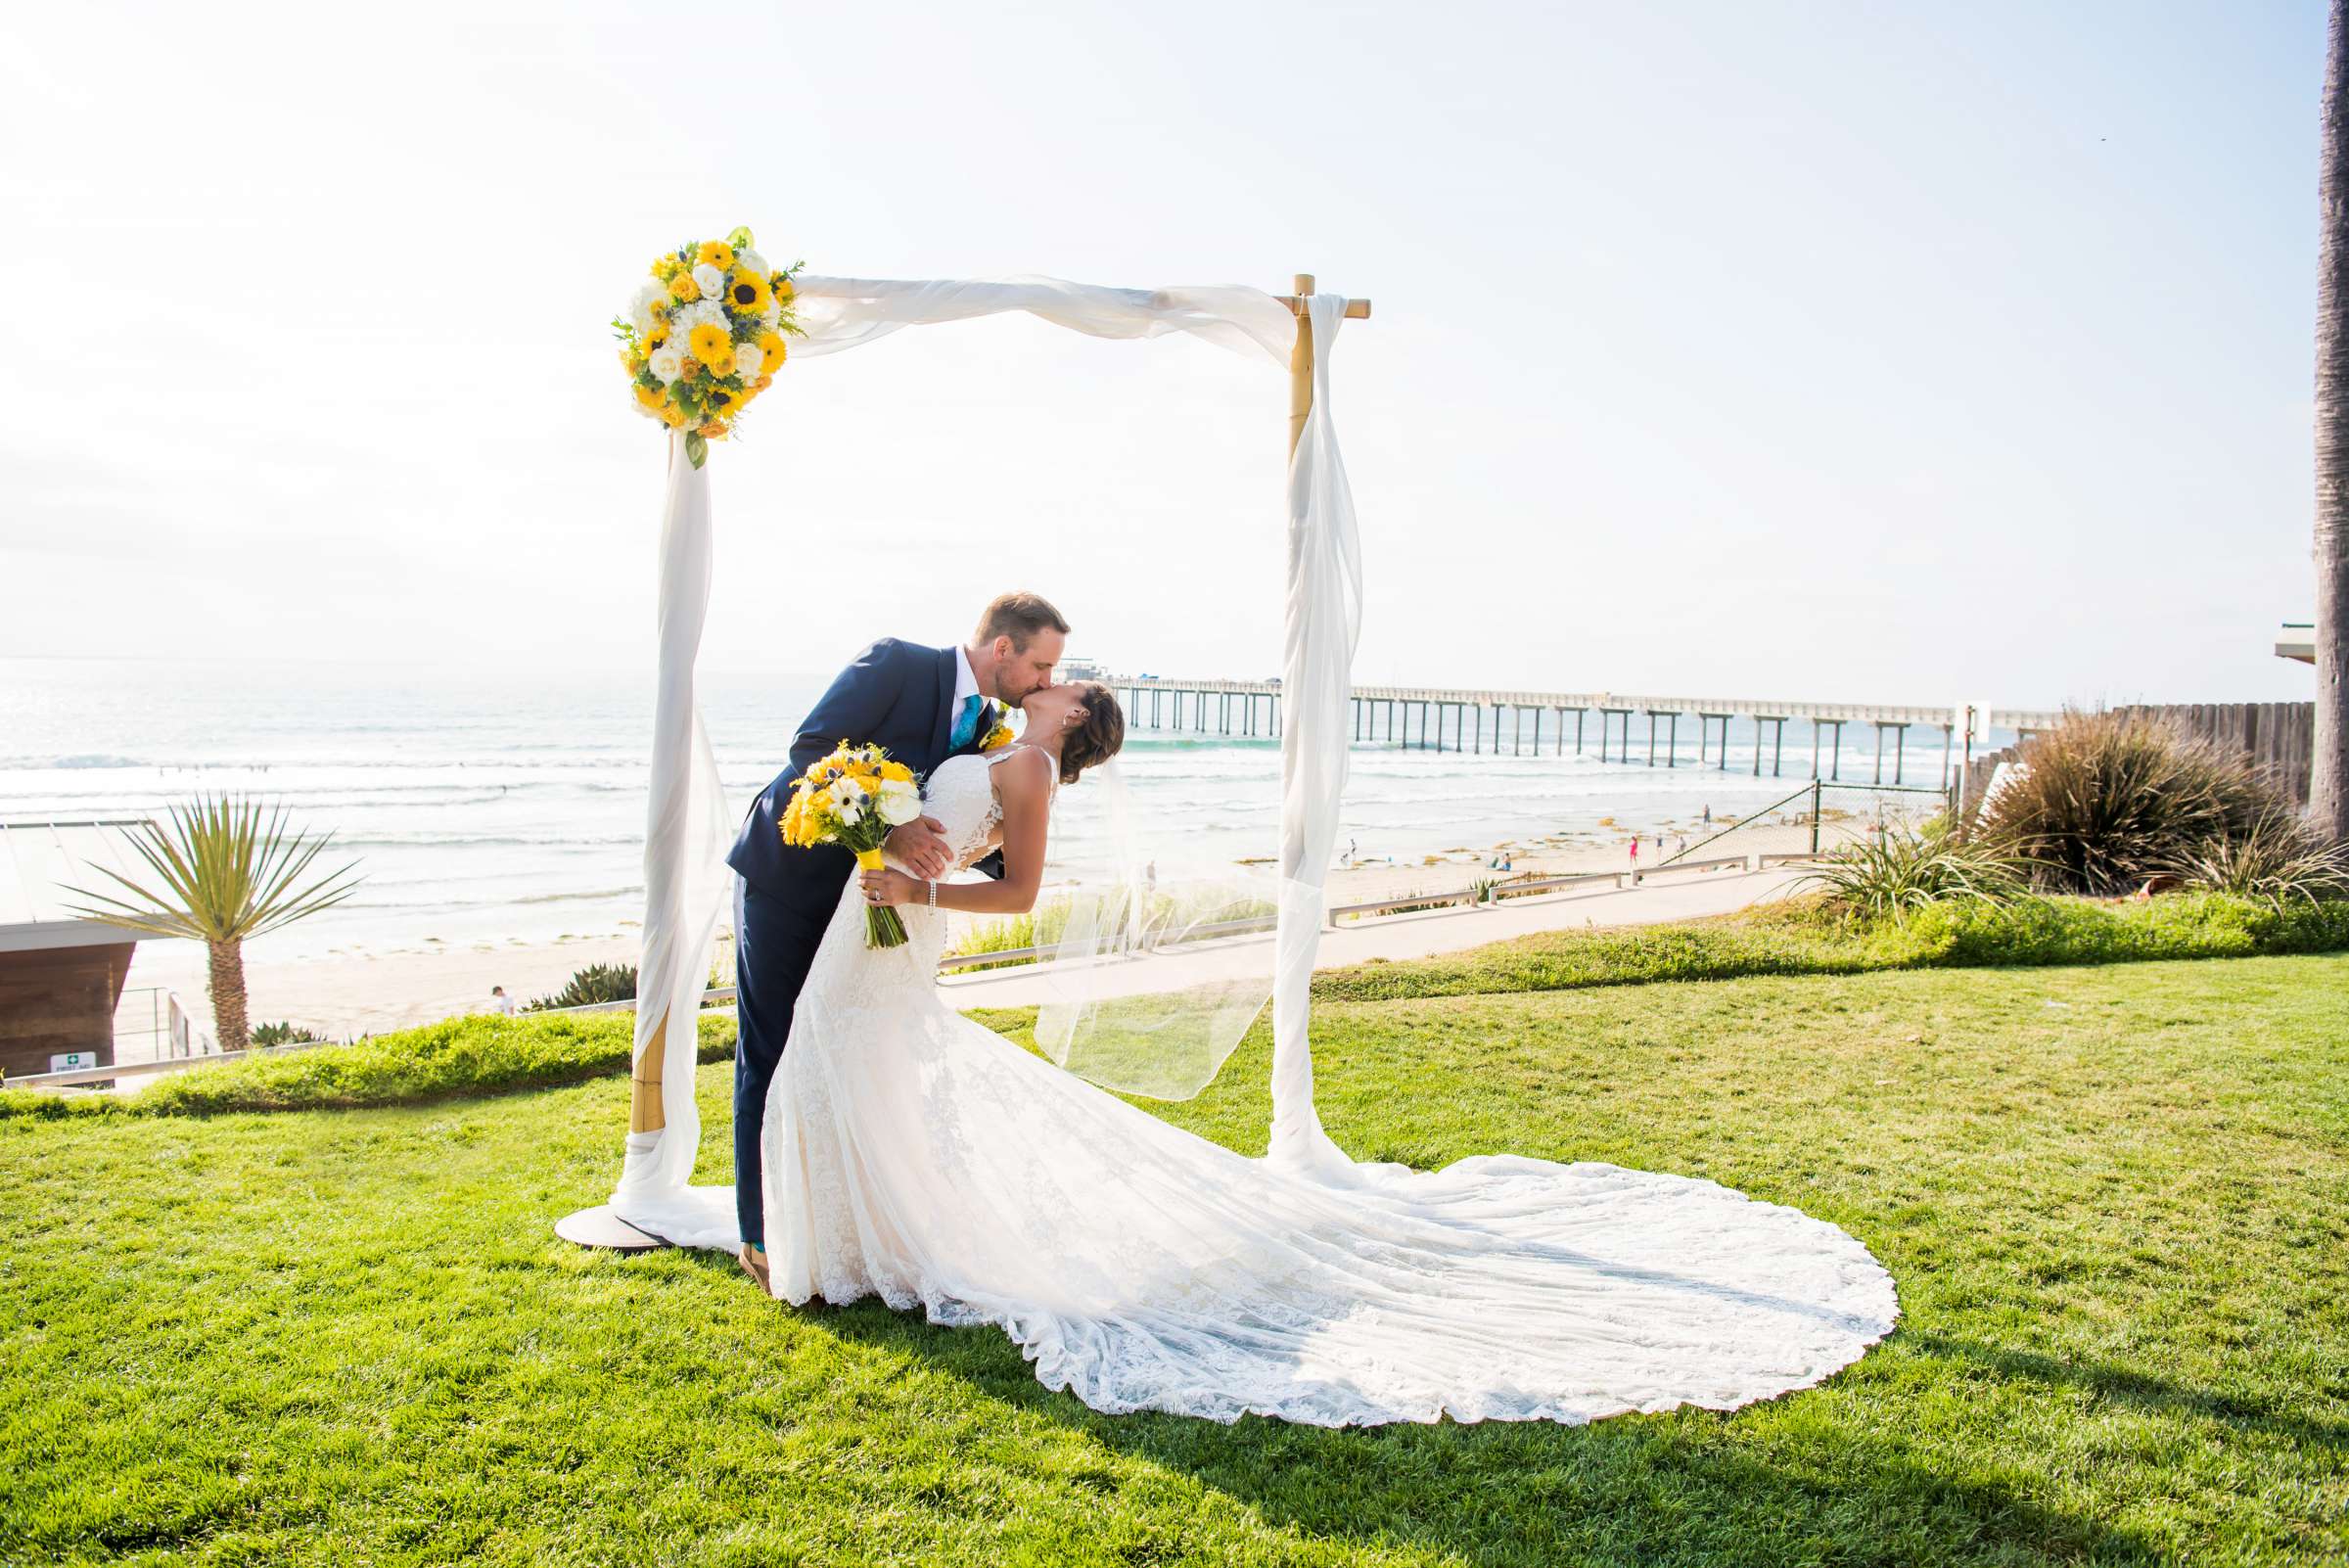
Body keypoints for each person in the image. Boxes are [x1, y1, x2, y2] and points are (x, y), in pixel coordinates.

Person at [747, 675, 1894, 1428]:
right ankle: (861, 1247)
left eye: (1058, 676)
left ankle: (855, 1251)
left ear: (1071, 708)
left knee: (850, 1064)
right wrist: (881, 836)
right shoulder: (991, 740)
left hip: (903, 921)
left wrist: (916, 877)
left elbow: (1020, 882)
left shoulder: (1031, 762)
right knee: (848, 1069)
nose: (1042, 676)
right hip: (883, 923)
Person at [725, 592, 1068, 1290]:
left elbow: (965, 820)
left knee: (837, 1055)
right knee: (771, 1048)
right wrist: (888, 833)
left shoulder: (988, 729)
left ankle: (834, 1222)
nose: (1046, 683)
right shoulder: (897, 663)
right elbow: (811, 751)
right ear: (1002, 649)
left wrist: (1031, 813)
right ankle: (760, 1238)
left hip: (865, 905)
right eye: (1041, 666)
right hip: (789, 880)